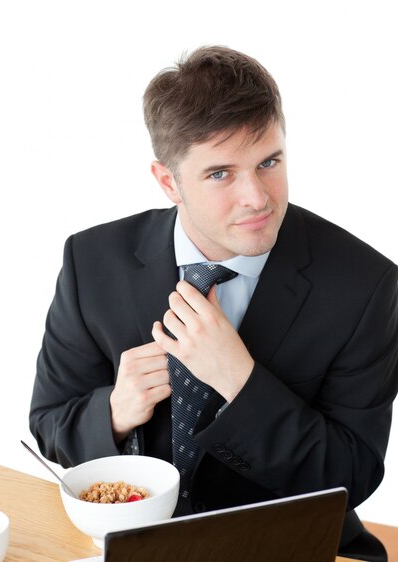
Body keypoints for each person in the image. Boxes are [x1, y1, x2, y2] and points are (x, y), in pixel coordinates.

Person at [30, 46, 397, 561]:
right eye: (220, 173)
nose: (257, 197)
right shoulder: (91, 262)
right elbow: (49, 423)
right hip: (130, 547)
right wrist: (114, 412)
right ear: (168, 182)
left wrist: (240, 381)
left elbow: (351, 475)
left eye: (269, 161)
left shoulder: (367, 284)